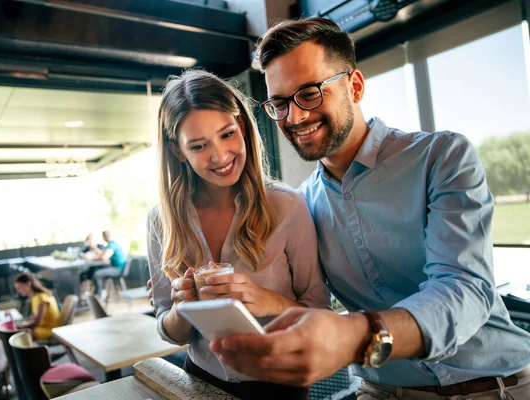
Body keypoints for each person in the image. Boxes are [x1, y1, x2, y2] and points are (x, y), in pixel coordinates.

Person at [210, 17, 530, 399]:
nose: (294, 117)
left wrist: (357, 335)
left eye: (309, 93)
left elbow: (464, 288)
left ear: (355, 86)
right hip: (380, 391)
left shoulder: (441, 157)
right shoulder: (301, 205)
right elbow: (312, 306)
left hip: (496, 388)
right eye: (279, 104)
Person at [147, 69, 328, 400]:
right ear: (178, 152)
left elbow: (320, 314)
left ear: (243, 127)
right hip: (199, 379)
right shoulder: (162, 221)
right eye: (199, 145)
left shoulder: (287, 206)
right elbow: (169, 330)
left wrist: (264, 300)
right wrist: (181, 307)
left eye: (227, 134)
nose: (219, 156)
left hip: (280, 385)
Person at [13, 272, 61, 340]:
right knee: (20, 331)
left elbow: (37, 323)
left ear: (28, 284)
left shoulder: (41, 298)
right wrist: (22, 323)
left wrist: (21, 326)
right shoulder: (35, 298)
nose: (18, 291)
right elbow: (35, 317)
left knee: (21, 333)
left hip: (50, 330)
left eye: (19, 287)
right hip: (42, 327)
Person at [91, 230, 128, 297]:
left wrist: (92, 258)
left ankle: (99, 296)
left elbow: (104, 257)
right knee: (98, 269)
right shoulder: (112, 244)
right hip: (117, 268)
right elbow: (102, 254)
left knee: (97, 273)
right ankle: (102, 291)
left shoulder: (112, 245)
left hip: (118, 269)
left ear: (104, 237)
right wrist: (95, 249)